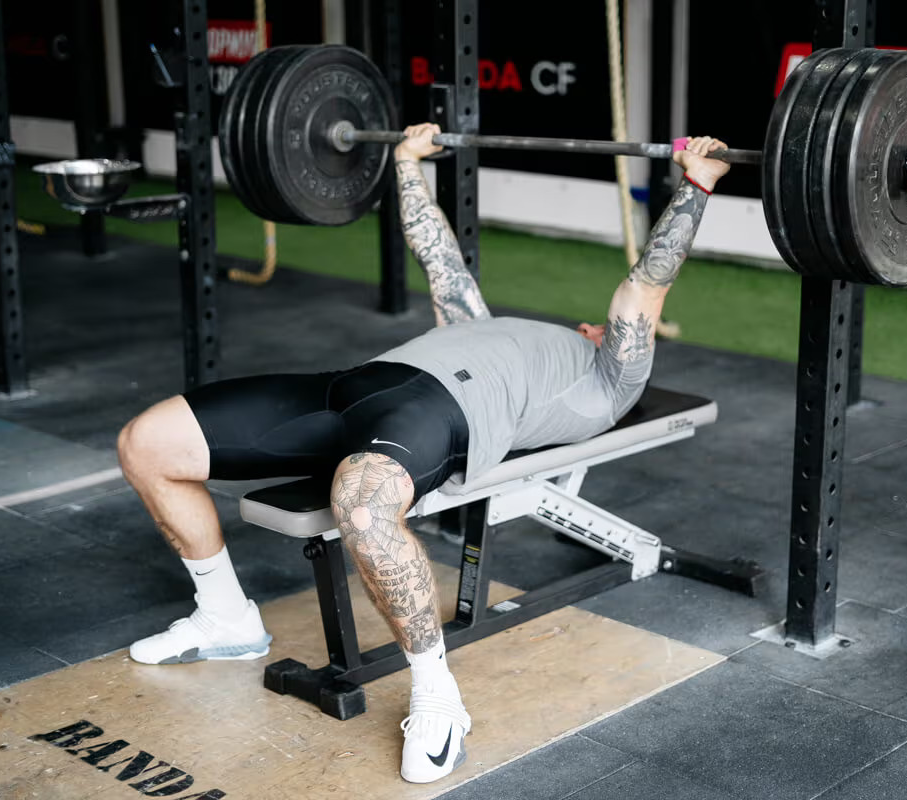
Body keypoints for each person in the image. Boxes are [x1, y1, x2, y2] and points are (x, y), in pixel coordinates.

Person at [116, 124, 730, 783]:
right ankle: (225, 619)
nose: (594, 324)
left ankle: (438, 695)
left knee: (361, 506)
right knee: (147, 443)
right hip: (348, 386)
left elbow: (644, 287)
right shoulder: (489, 326)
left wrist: (697, 184)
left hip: (440, 413)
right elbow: (439, 257)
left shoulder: (613, 377)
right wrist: (406, 163)